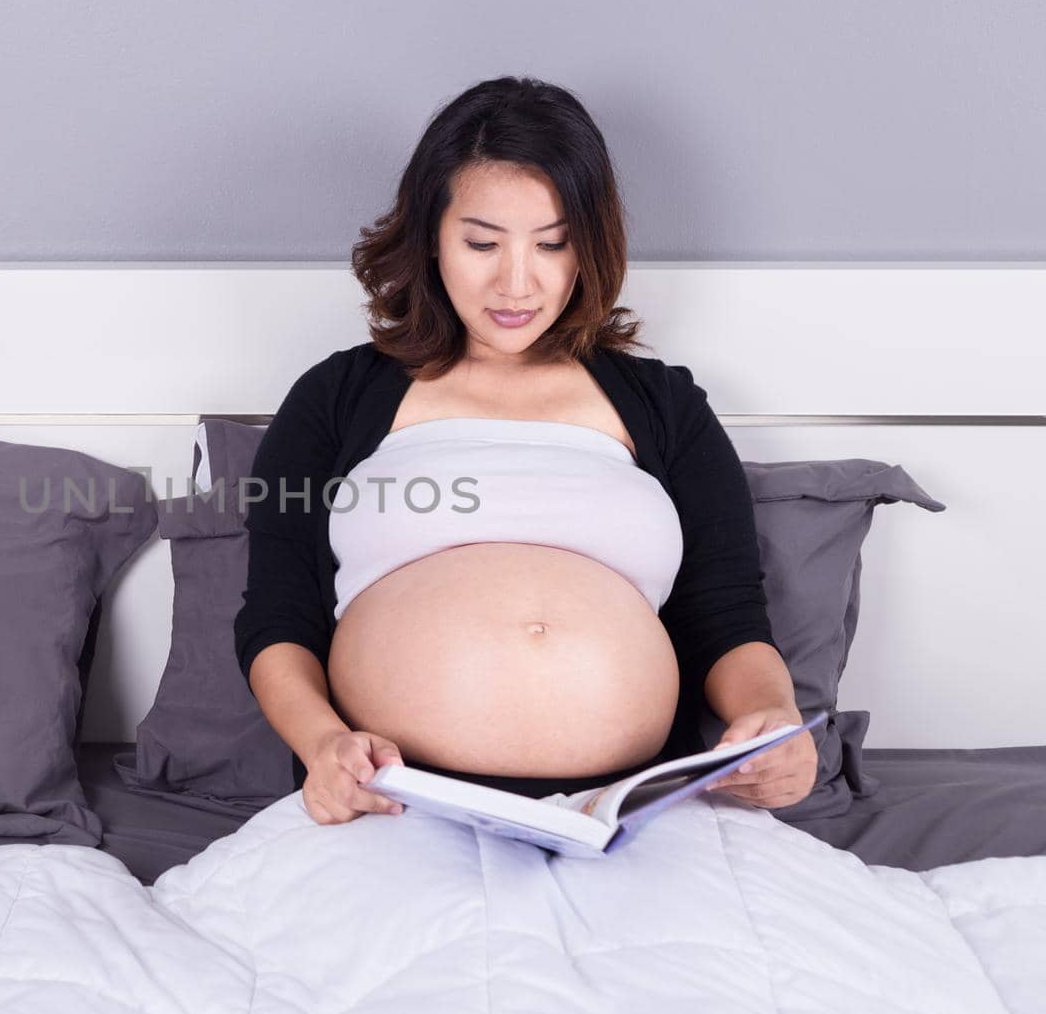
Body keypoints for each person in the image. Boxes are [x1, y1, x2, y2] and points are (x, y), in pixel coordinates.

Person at [234, 75, 818, 827]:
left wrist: (773, 723)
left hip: (633, 812)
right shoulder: (336, 398)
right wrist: (324, 748)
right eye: (482, 243)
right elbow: (277, 620)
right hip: (393, 804)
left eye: (552, 244)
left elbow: (729, 617)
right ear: (431, 238)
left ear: (589, 249)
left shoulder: (666, 407)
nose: (516, 282)